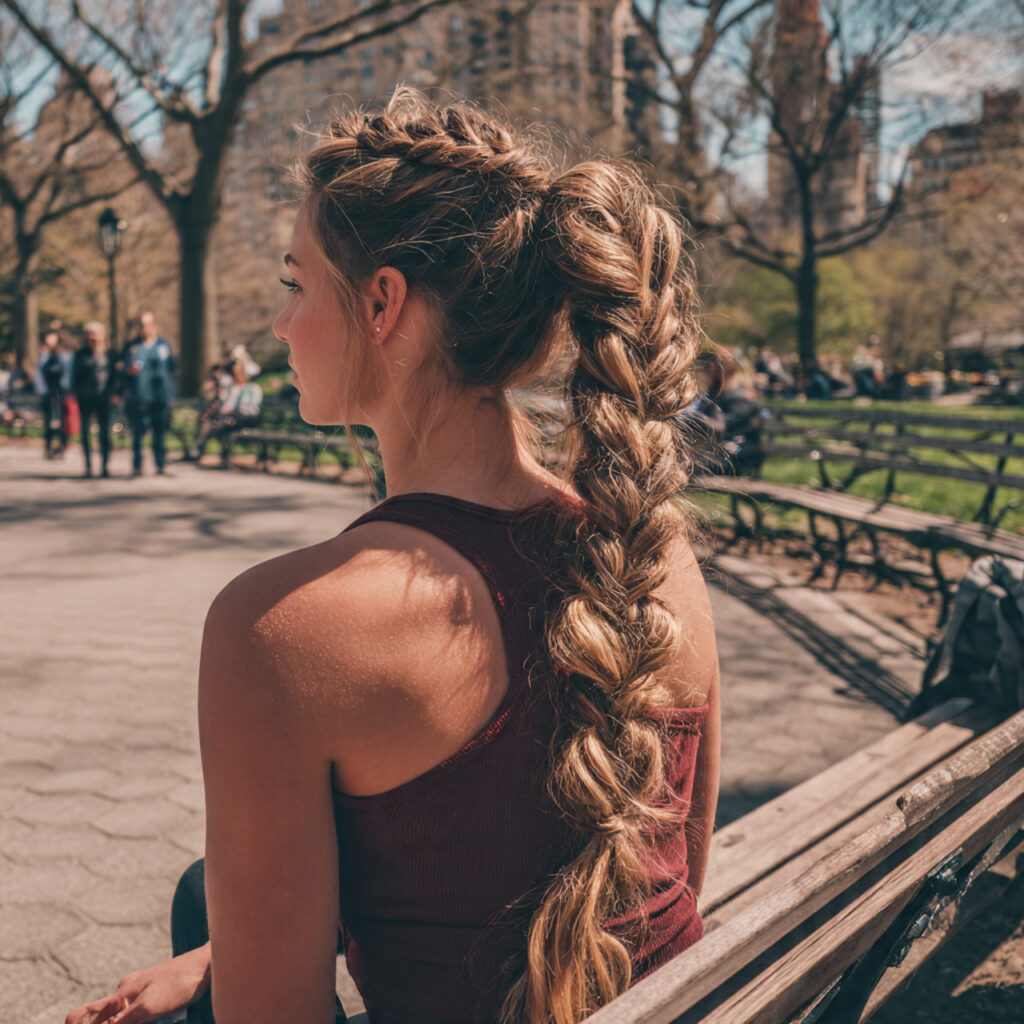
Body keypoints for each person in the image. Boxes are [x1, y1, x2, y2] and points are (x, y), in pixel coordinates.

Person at [65, 90, 721, 1024]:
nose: (283, 324)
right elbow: (674, 877)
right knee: (206, 898)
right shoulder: (655, 556)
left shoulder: (283, 627)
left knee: (203, 897)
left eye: (297, 284)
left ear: (382, 303)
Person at [124, 310, 176, 476]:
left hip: (160, 397)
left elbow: (171, 369)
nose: (144, 328)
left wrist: (170, 395)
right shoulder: (132, 347)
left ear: (154, 326)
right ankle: (137, 466)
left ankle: (160, 464)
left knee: (159, 433)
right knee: (138, 434)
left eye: (147, 324)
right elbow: (124, 369)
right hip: (139, 397)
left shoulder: (164, 346)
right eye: (141, 325)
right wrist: (128, 371)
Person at [191, 358, 264, 464]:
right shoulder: (231, 388)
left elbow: (253, 407)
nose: (237, 376)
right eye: (235, 373)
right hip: (228, 417)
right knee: (208, 420)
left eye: (239, 373)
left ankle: (205, 443)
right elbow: (224, 401)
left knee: (223, 421)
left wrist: (234, 409)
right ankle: (201, 446)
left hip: (245, 418)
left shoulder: (253, 388)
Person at [72, 321, 119, 478]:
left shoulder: (111, 354)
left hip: (104, 399)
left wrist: (116, 393)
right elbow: (75, 377)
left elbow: (117, 377)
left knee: (105, 433)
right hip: (85, 398)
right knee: (85, 432)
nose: (91, 337)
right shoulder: (81, 355)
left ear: (102, 335)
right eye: (88, 334)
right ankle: (88, 465)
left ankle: (105, 465)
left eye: (94, 333)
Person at [34, 330, 71, 459]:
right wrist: (43, 391)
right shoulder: (44, 357)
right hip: (49, 394)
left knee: (62, 421)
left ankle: (62, 446)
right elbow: (39, 376)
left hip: (61, 394)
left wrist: (66, 390)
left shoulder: (64, 357)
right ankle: (49, 447)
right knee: (49, 421)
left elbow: (67, 375)